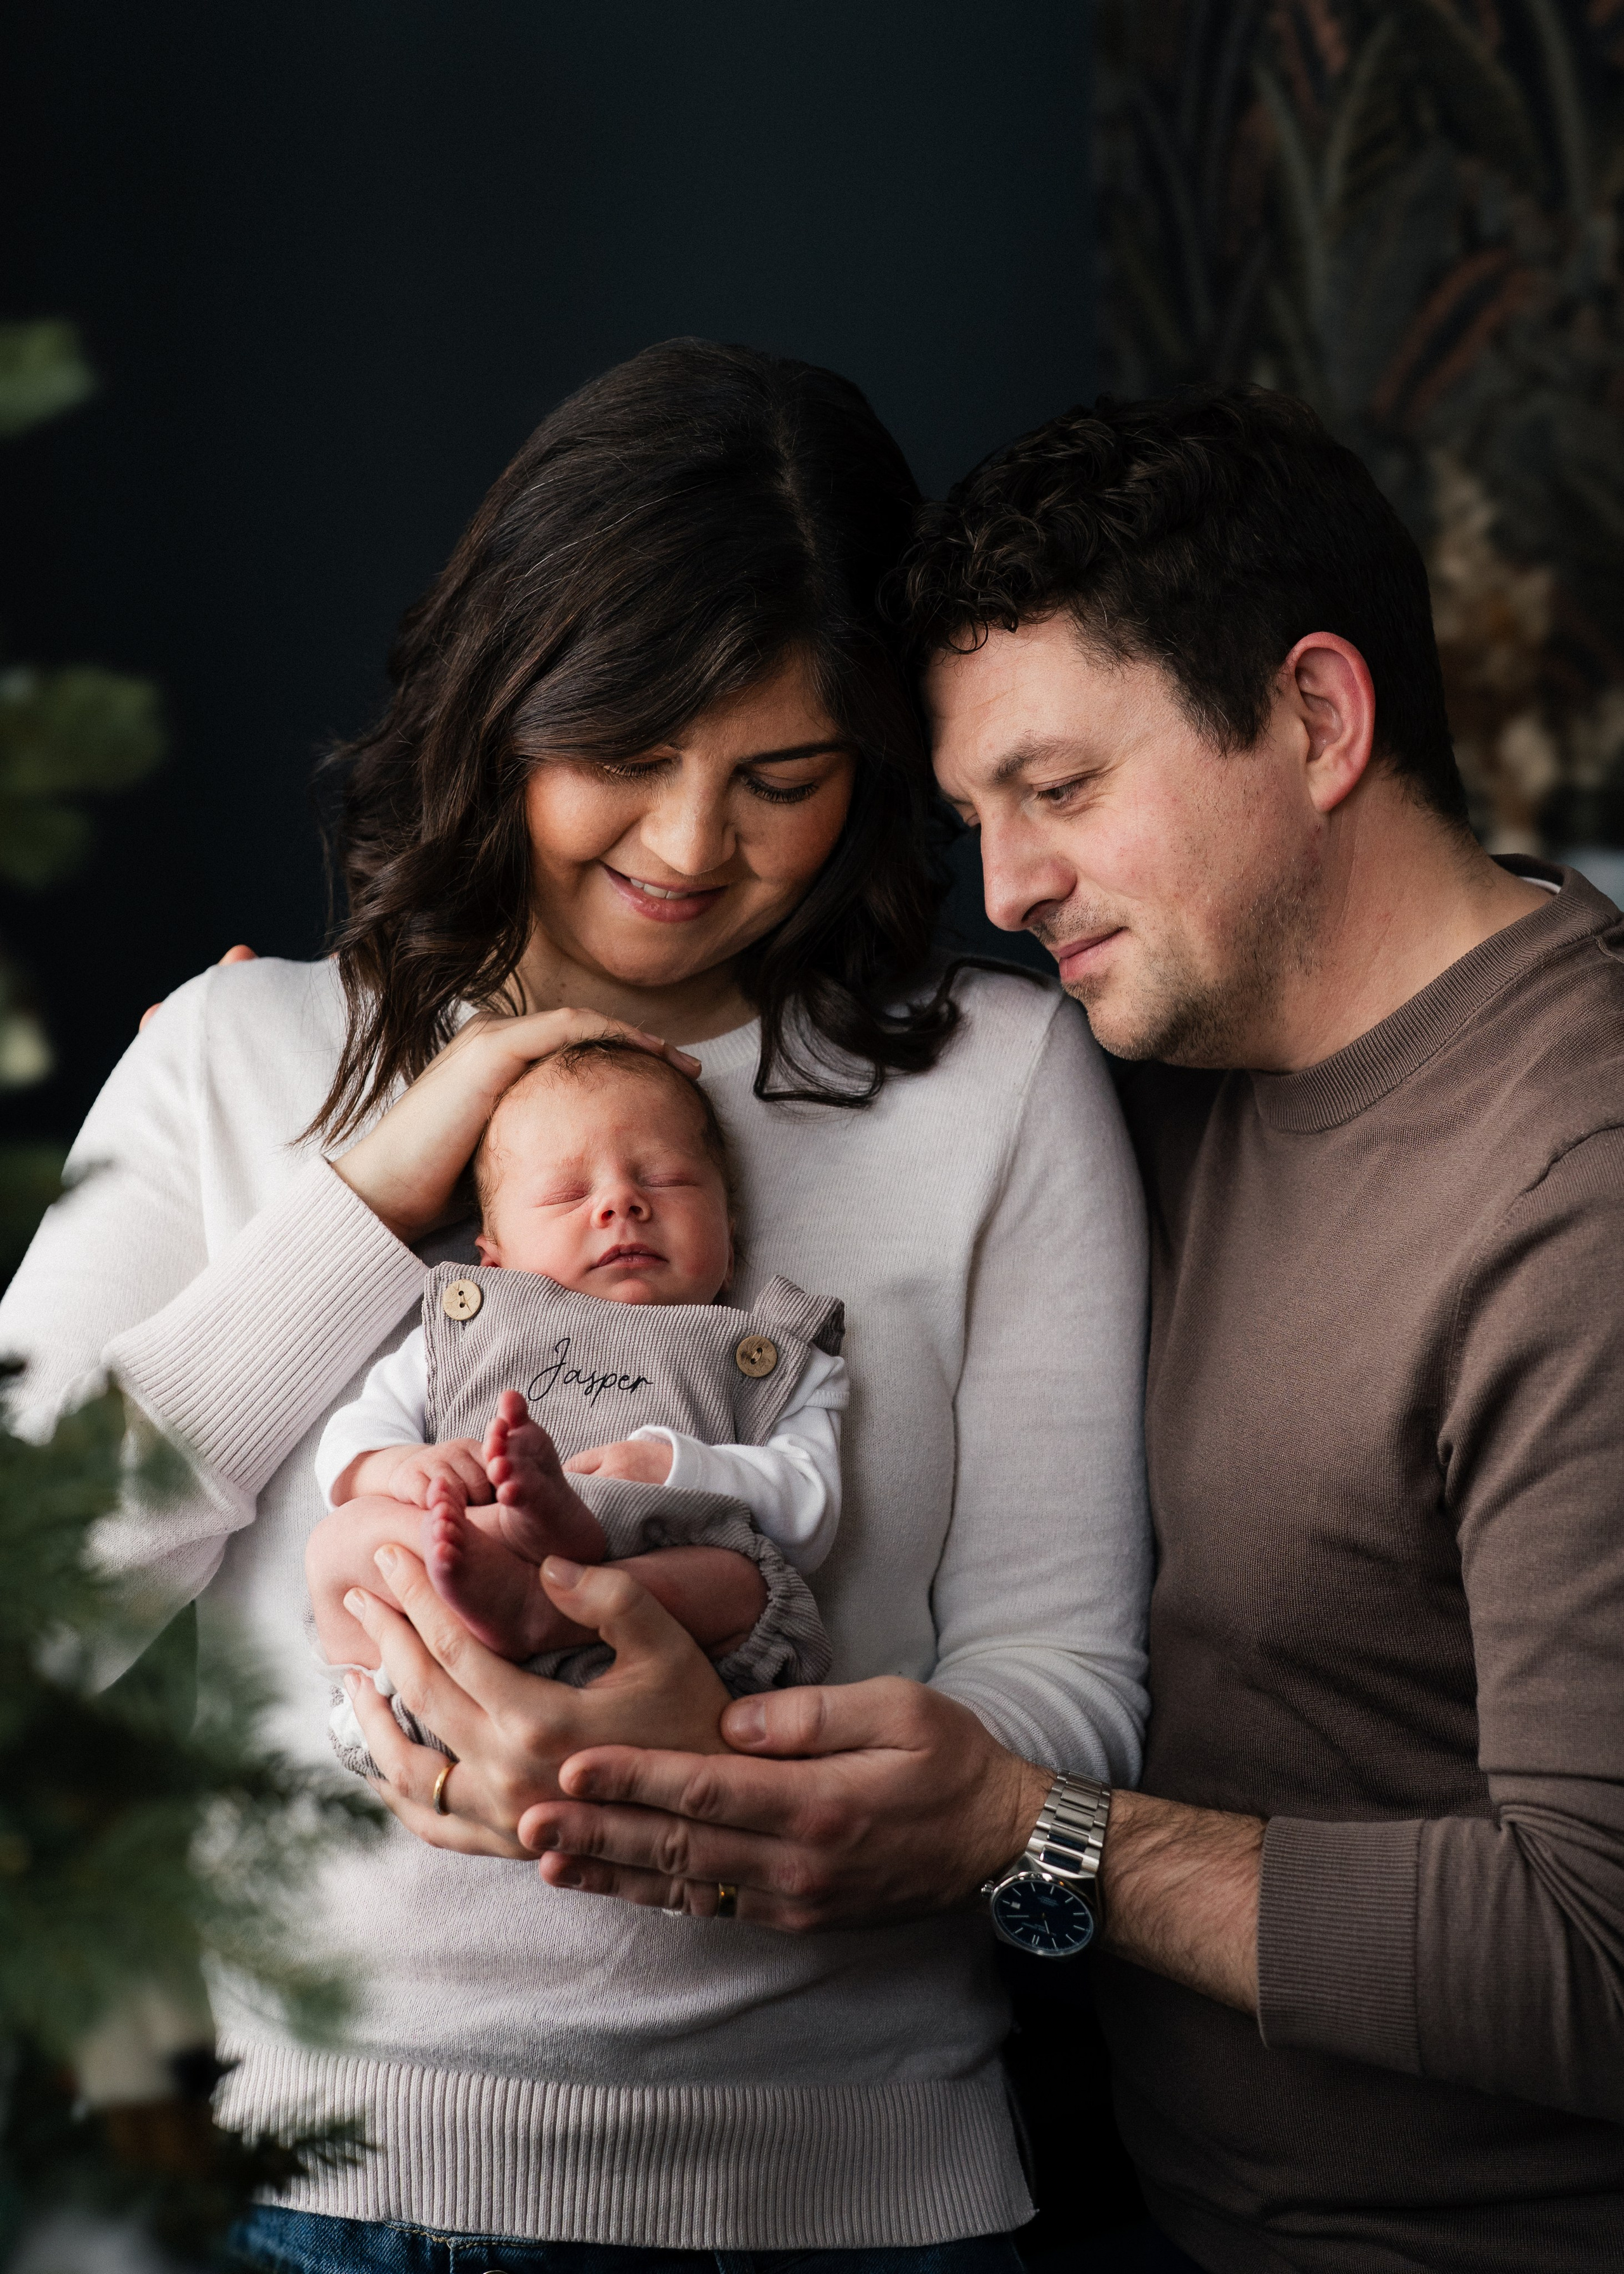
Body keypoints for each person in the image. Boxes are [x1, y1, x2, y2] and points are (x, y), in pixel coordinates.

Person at [381, 386, 1622, 2273]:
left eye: (1057, 791)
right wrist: (310, 1097)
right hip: (1143, 2201)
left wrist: (1026, 1836)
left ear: (1314, 718)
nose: (1003, 889)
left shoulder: (1575, 1189)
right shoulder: (1170, 1060)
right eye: (968, 816)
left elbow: (1596, 1958)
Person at [0, 339, 1151, 2273]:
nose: (697, 848)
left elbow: (1068, 1690)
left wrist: (727, 1785)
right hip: (342, 2200)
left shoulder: (998, 1088)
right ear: (499, 703)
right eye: (625, 757)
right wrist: (378, 1178)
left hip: (870, 2200)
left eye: (781, 777)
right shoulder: (238, 1056)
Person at [307, 1037, 844, 1755]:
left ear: (729, 1229)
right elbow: (349, 1444)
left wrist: (675, 1465)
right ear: (491, 1258)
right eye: (567, 1193)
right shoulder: (465, 1332)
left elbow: (809, 1515)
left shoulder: (765, 1352)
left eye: (667, 1179)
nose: (622, 1203)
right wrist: (401, 1468)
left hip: (672, 1661)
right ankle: (508, 1544)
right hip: (455, 1653)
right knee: (341, 1539)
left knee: (741, 1581)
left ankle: (541, 1602)